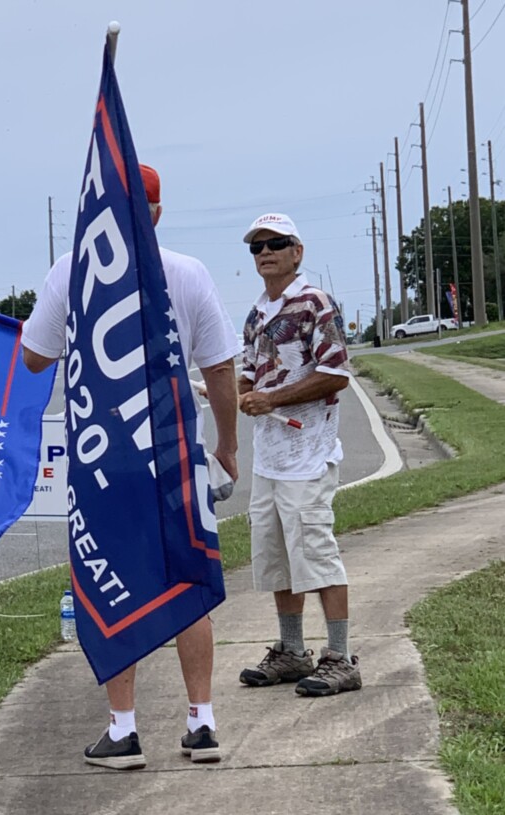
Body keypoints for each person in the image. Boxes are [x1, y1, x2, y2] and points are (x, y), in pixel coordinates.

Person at [21, 165, 240, 770]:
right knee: (187, 582)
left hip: (103, 465)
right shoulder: (189, 272)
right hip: (174, 457)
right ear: (159, 213)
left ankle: (123, 729)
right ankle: (202, 722)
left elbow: (35, 357)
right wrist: (227, 445)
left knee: (109, 582)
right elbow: (220, 369)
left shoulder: (69, 271)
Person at [236, 212, 361, 697]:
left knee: (316, 553)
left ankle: (341, 657)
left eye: (276, 243)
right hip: (269, 457)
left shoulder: (314, 304)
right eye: (256, 246)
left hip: (308, 454)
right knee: (277, 556)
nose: (265, 252)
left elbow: (336, 374)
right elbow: (249, 372)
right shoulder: (255, 313)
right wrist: (244, 392)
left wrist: (273, 399)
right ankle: (291, 652)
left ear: (297, 251)